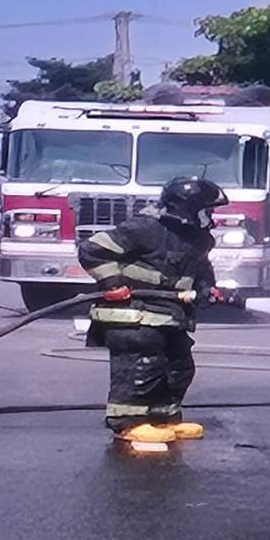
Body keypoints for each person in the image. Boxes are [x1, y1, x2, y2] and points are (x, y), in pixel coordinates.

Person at [78, 177, 227, 446]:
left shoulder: (197, 239)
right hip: (132, 314)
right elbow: (93, 249)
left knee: (179, 367)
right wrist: (112, 283)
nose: (211, 216)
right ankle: (128, 423)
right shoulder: (145, 229)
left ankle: (164, 418)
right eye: (208, 209)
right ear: (188, 208)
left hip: (170, 315)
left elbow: (200, 270)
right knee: (142, 365)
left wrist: (208, 289)